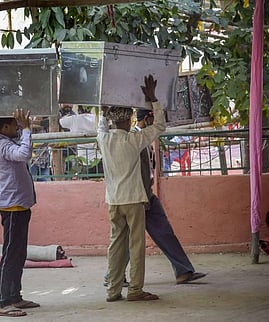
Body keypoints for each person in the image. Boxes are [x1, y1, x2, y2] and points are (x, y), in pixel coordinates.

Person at [103, 108, 206, 287]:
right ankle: (113, 277)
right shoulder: (135, 140)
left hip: (142, 194)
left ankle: (183, 270)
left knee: (161, 233)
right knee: (130, 240)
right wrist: (145, 198)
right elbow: (141, 172)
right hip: (139, 196)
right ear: (147, 118)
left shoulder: (137, 138)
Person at [97, 74, 165, 302]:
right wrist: (153, 98)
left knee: (116, 245)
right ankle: (135, 289)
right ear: (127, 121)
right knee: (136, 246)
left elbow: (101, 125)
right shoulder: (134, 140)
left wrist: (103, 110)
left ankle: (112, 290)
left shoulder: (104, 140)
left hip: (113, 200)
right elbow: (160, 126)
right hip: (134, 199)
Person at [0, 108, 40, 317]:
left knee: (19, 253)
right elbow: (24, 154)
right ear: (4, 127)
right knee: (10, 255)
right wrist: (27, 130)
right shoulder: (2, 144)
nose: (18, 127)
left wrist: (27, 128)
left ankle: (14, 296)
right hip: (12, 207)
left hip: (20, 205)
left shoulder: (6, 141)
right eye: (15, 125)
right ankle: (4, 302)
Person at [59, 106, 102, 176]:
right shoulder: (97, 118)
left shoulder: (74, 119)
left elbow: (60, 122)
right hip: (98, 158)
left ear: (78, 109)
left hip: (82, 160)